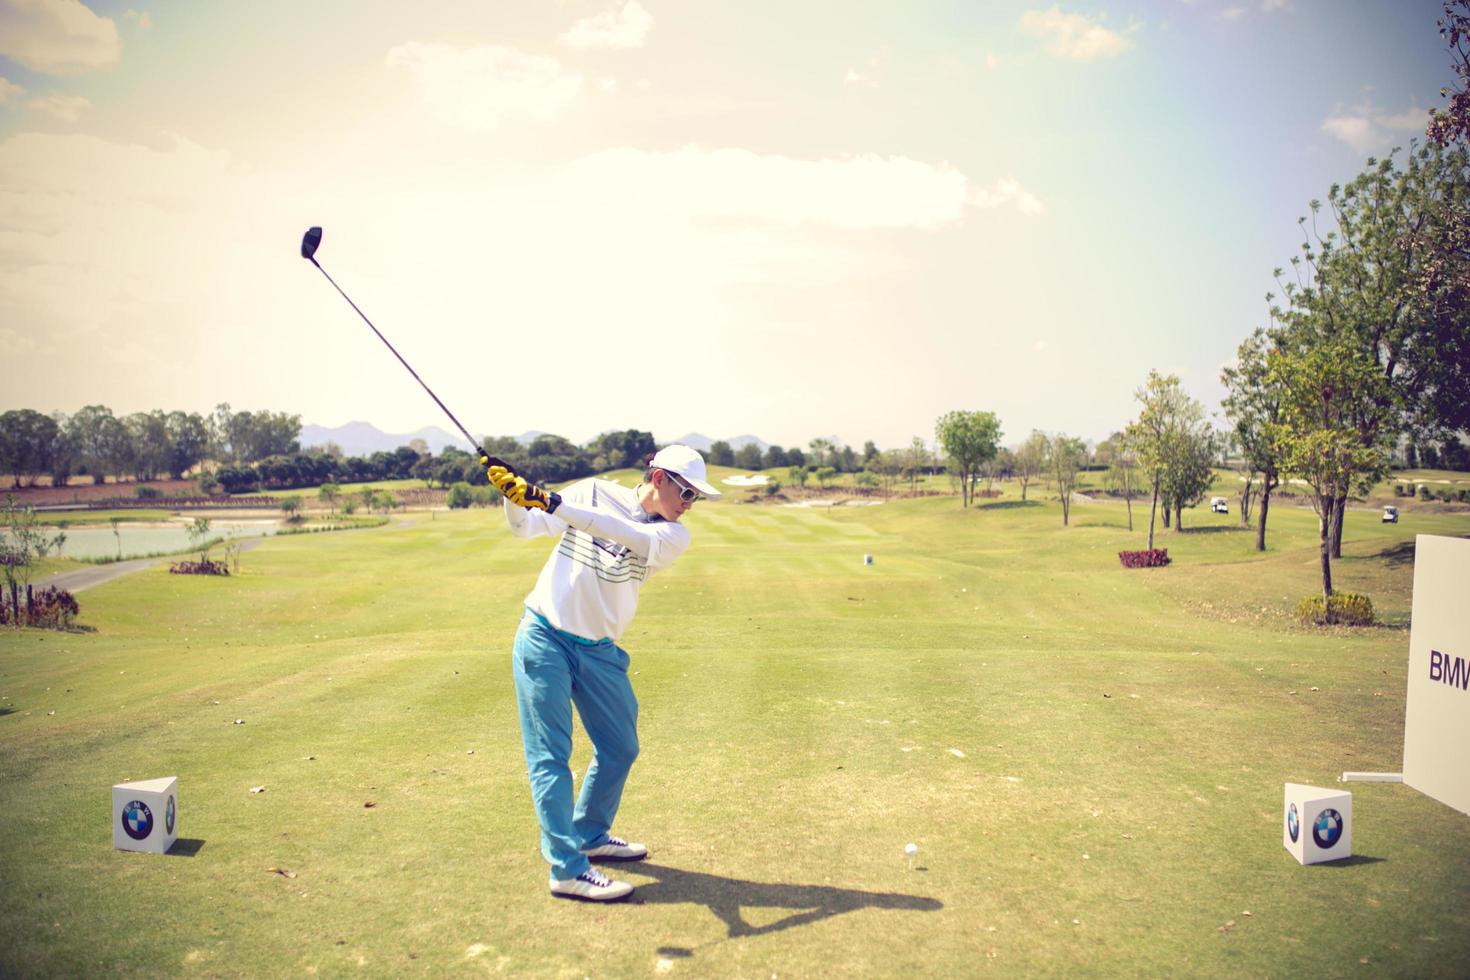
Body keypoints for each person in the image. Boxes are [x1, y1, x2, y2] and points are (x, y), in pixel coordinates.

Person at [482, 445, 720, 902]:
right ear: (659, 478)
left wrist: (556, 502)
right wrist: (511, 495)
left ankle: (590, 834)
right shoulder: (593, 491)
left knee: (620, 746)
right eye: (686, 491)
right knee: (551, 757)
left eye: (696, 498)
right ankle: (567, 869)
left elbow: (624, 533)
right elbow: (526, 527)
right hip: (545, 636)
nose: (688, 504)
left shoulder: (673, 536)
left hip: (599, 650)